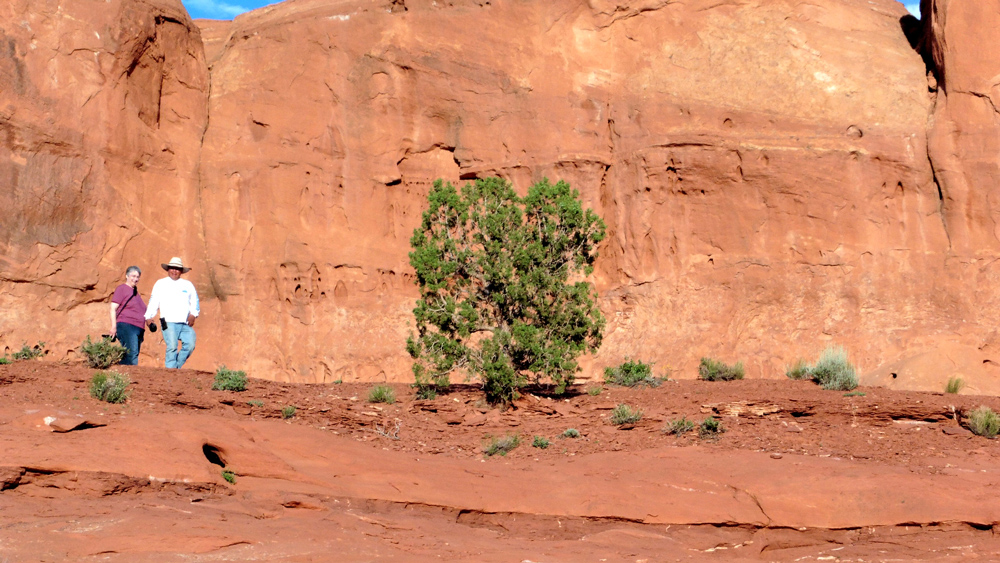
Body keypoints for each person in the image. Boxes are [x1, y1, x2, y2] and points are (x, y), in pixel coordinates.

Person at [144, 257, 200, 369]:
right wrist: (149, 317)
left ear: (181, 271)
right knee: (172, 346)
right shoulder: (161, 283)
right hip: (168, 321)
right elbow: (154, 301)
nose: (174, 271)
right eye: (172, 268)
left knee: (190, 344)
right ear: (168, 269)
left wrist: (193, 314)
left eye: (177, 269)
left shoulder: (187, 285)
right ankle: (171, 372)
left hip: (184, 323)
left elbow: (195, 301)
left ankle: (174, 369)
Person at [109, 266, 147, 365]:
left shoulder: (136, 293)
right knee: (131, 354)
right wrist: (113, 327)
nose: (136, 279)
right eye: (133, 276)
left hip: (138, 328)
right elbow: (113, 308)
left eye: (137, 277)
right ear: (127, 276)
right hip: (127, 325)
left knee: (131, 354)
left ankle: (122, 375)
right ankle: (129, 378)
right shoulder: (122, 288)